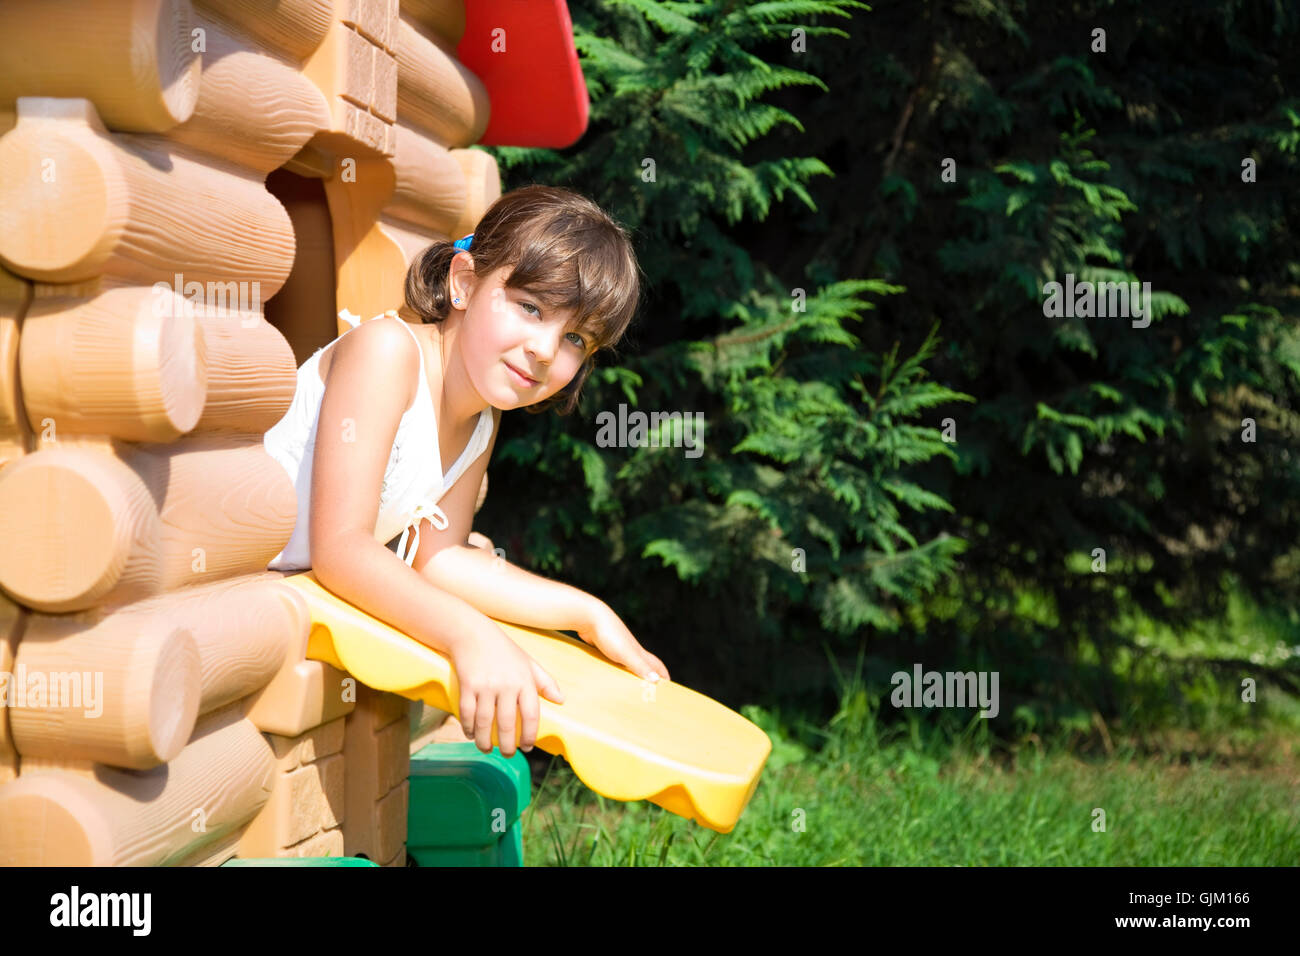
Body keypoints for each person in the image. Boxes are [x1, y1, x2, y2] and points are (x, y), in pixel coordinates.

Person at [263, 184, 670, 757]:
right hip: (231, 579)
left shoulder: (481, 416)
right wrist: (472, 634)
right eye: (531, 308)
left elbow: (439, 559)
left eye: (575, 338)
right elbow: (341, 548)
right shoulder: (388, 353)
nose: (546, 350)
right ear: (463, 282)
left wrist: (586, 612)